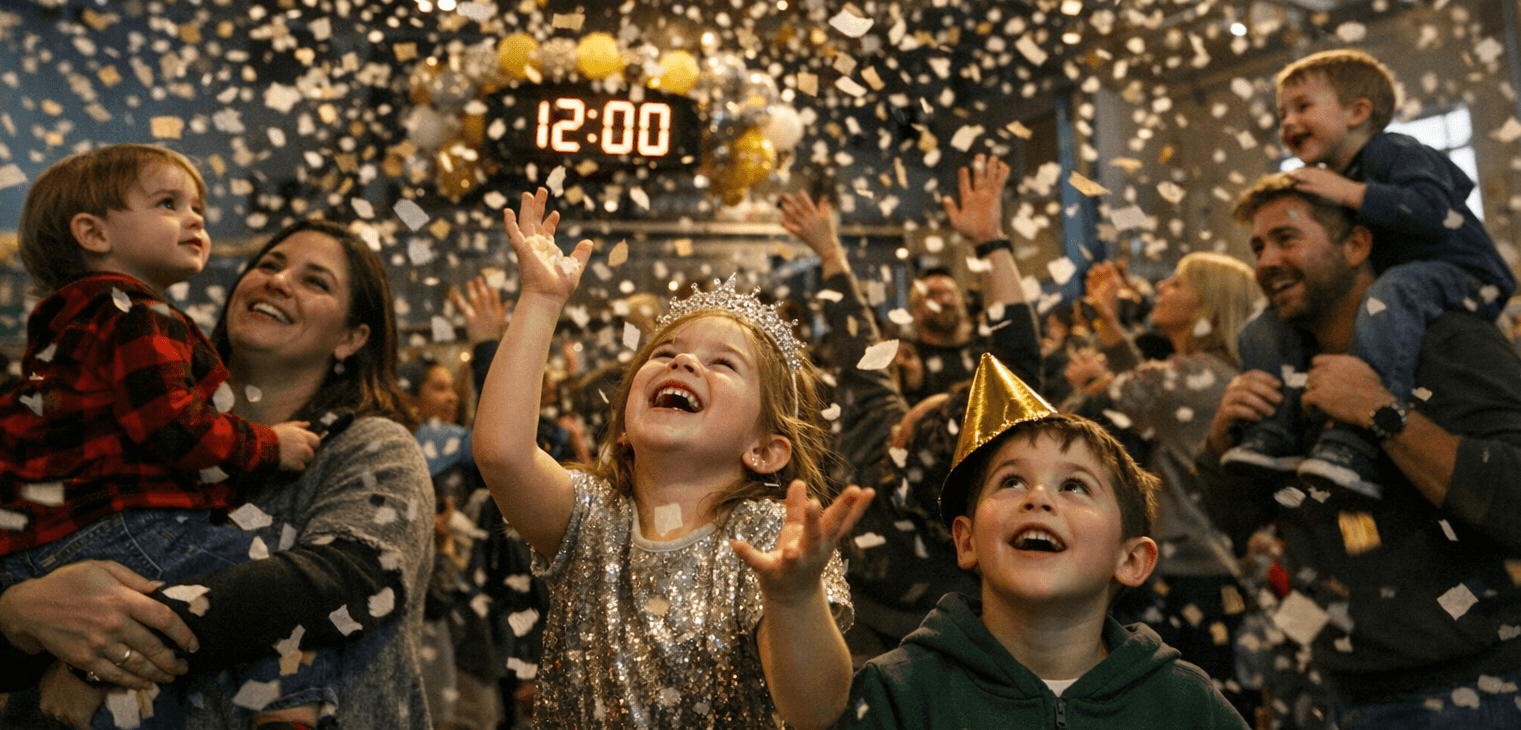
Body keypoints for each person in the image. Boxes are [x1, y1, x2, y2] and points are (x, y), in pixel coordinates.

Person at [0, 219, 435, 730]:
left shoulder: (371, 448)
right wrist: (17, 612)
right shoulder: (137, 424)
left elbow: (344, 584)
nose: (278, 280)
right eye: (268, 264)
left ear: (352, 338)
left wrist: (98, 656)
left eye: (316, 281)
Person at [470, 187, 873, 730]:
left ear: (765, 449)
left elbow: (815, 709)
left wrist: (795, 597)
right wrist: (540, 301)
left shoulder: (767, 536)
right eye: (663, 352)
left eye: (724, 363)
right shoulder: (589, 516)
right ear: (626, 428)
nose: (682, 359)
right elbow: (502, 453)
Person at [0, 145, 333, 728]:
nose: (196, 218)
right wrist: (271, 444)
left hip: (38, 552)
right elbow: (177, 430)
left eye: (196, 205)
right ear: (94, 233)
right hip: (128, 528)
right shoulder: (138, 316)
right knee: (276, 582)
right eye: (168, 204)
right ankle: (287, 712)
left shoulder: (69, 327)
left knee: (136, 678)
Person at [1198, 174, 1521, 726]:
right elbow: (1238, 522)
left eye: (1286, 239)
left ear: (1356, 245)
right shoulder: (1280, 363)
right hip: (1337, 690)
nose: (1267, 260)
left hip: (1466, 692)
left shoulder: (1448, 340)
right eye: (1258, 247)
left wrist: (1380, 412)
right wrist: (1222, 438)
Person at [836, 356, 1248, 729]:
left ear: (1132, 559)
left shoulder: (1187, 708)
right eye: (1011, 481)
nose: (1037, 498)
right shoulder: (898, 695)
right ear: (966, 541)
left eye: (1073, 486)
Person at [776, 155, 1045, 660]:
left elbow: (1019, 368)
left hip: (898, 635)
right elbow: (855, 333)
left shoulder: (919, 457)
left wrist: (830, 249)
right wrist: (991, 242)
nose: (931, 409)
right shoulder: (903, 434)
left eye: (941, 411)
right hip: (886, 627)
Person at [1225, 49, 1516, 499]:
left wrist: (1352, 192)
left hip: (1466, 272)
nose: (1287, 122)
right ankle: (1273, 429)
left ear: (1359, 112)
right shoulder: (1336, 177)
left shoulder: (1392, 150)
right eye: (1281, 112)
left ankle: (1358, 431)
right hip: (1412, 278)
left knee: (1393, 290)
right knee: (1265, 324)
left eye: (1302, 106)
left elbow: (1433, 210)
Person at [1060, 255, 1263, 718]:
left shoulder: (1192, 378)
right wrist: (1110, 325)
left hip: (1182, 573)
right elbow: (1152, 397)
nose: (1162, 288)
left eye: (1177, 282)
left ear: (1207, 304)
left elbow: (1083, 411)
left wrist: (1091, 380)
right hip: (1208, 566)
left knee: (1167, 710)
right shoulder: (1210, 372)